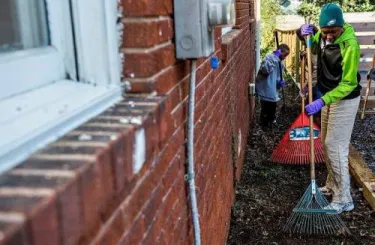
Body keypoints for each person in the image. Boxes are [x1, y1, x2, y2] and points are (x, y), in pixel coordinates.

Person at [298, 3, 361, 214]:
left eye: (333, 32)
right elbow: (313, 47)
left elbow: (349, 83)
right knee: (325, 143)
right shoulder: (323, 37)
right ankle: (333, 184)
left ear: (341, 27)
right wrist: (304, 34)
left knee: (335, 146)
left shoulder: (350, 44)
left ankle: (344, 198)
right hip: (327, 96)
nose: (330, 37)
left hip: (345, 98)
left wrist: (322, 101)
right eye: (326, 32)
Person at [255, 44, 290, 129]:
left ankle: (270, 125)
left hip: (272, 92)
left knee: (272, 110)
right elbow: (265, 70)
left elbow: (278, 76)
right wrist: (275, 58)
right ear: (279, 52)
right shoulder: (269, 58)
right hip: (265, 90)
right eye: (284, 55)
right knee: (265, 110)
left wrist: (280, 83)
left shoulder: (280, 63)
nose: (285, 57)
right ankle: (264, 127)